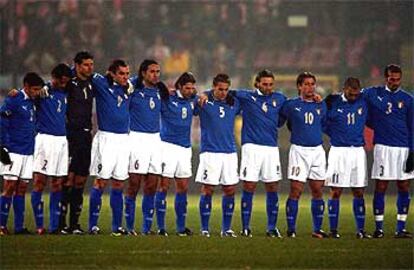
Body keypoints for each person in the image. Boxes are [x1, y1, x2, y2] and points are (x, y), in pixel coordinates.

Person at [229, 69, 286, 237]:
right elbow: (224, 92)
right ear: (257, 84)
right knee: (249, 185)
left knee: (273, 186)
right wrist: (205, 94)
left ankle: (271, 228)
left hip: (271, 148)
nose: (268, 87)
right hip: (251, 147)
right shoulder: (246, 97)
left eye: (270, 84)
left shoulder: (280, 99)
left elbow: (282, 118)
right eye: (265, 84)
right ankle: (246, 227)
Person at [363, 64, 413, 238]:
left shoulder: (408, 99)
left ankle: (401, 228)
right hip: (383, 147)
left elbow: (413, 127)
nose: (395, 82)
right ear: (386, 78)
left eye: (398, 79)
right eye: (392, 79)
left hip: (403, 148)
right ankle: (379, 228)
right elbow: (352, 94)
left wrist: (413, 152)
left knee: (404, 186)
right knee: (381, 186)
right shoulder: (373, 93)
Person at [280, 72, 328, 238]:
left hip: (317, 150)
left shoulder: (321, 105)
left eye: (312, 84)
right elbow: (284, 122)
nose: (310, 87)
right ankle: (291, 229)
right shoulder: (291, 104)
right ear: (299, 86)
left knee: (317, 190)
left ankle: (317, 229)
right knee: (296, 190)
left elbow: (323, 123)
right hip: (299, 150)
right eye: (306, 84)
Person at [88, 59, 132, 236]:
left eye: (127, 73)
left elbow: (148, 82)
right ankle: (92, 225)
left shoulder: (129, 87)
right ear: (112, 73)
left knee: (119, 182)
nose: (125, 77)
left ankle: (117, 226)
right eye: (121, 73)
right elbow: (78, 71)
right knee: (101, 181)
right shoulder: (101, 82)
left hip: (123, 140)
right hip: (105, 138)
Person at [324, 77, 372, 239]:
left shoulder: (363, 100)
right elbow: (323, 123)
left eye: (356, 94)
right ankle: (333, 230)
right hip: (338, 151)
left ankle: (361, 231)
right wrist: (336, 134)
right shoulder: (333, 102)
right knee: (335, 191)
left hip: (358, 151)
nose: (354, 97)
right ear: (344, 89)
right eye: (351, 94)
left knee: (358, 191)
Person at [195, 73, 241, 237]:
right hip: (210, 152)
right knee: (208, 189)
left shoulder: (234, 103)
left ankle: (226, 229)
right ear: (214, 87)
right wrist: (204, 93)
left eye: (226, 89)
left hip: (229, 152)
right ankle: (204, 229)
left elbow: (242, 96)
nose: (223, 92)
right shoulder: (203, 101)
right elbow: (191, 101)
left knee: (230, 189)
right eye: (220, 89)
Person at [0, 73, 44, 235]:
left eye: (38, 89)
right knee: (9, 187)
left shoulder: (33, 101)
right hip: (12, 150)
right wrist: (3, 146)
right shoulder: (14, 99)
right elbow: (2, 121)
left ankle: (19, 227)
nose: (37, 92)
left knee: (22, 188)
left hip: (28, 151)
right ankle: (1, 225)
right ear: (26, 86)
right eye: (34, 89)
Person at [31, 63, 72, 234]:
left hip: (62, 141)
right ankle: (40, 225)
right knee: (40, 182)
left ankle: (54, 226)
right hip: (45, 139)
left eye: (66, 82)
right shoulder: (43, 91)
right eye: (61, 82)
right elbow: (27, 92)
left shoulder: (66, 91)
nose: (64, 84)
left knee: (57, 183)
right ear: (53, 78)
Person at [155, 72, 197, 236]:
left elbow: (205, 95)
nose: (190, 90)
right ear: (179, 86)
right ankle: (161, 227)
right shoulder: (167, 98)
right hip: (167, 146)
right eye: (187, 88)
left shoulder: (193, 100)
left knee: (183, 187)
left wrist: (203, 95)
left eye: (192, 88)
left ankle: (181, 228)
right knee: (164, 186)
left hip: (185, 149)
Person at [124, 59, 163, 236]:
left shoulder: (161, 91)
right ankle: (130, 227)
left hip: (155, 139)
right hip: (137, 138)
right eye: (152, 71)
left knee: (152, 185)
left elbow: (187, 93)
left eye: (158, 72)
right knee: (134, 183)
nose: (156, 75)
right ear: (143, 73)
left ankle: (147, 228)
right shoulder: (133, 87)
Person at [59, 51, 94, 235]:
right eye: (86, 65)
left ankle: (74, 224)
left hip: (86, 136)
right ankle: (61, 223)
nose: (90, 68)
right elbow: (51, 86)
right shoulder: (68, 82)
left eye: (91, 64)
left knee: (81, 180)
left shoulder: (92, 82)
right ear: (77, 65)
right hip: (71, 136)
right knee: (68, 179)